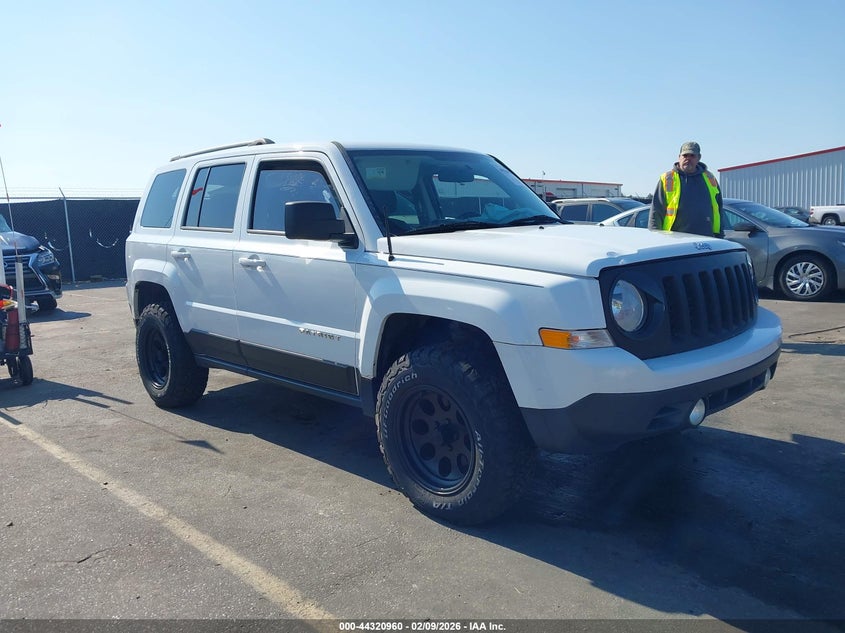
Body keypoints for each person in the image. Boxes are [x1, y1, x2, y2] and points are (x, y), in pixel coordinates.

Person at [649, 141, 725, 238]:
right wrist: (656, 237)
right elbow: (656, 211)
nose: (688, 159)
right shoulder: (668, 179)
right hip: (674, 239)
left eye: (692, 156)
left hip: (706, 239)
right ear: (679, 157)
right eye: (685, 155)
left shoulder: (710, 178)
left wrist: (720, 236)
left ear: (699, 158)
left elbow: (719, 209)